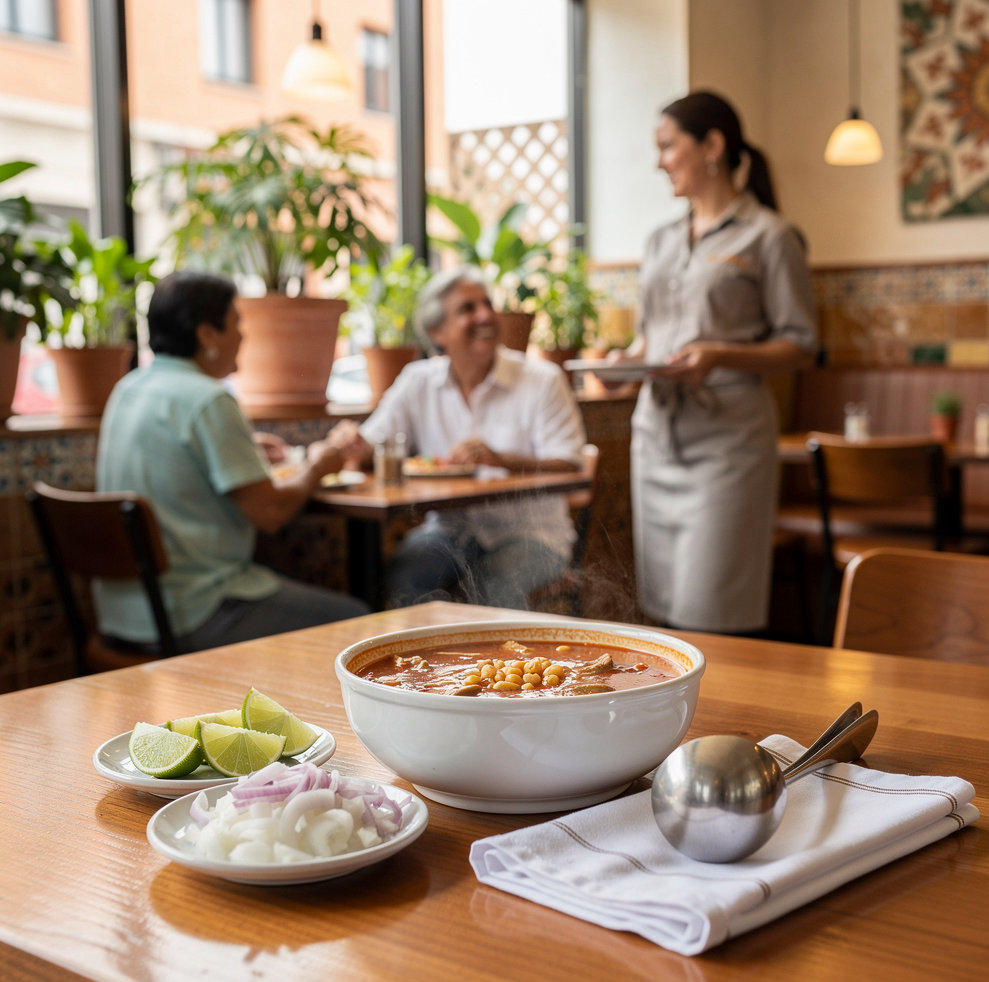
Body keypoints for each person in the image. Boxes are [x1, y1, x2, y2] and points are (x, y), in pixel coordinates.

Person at [620, 91, 818, 634]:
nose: (660, 161)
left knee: (711, 612)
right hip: (656, 436)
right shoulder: (659, 240)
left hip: (728, 446)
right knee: (661, 611)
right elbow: (650, 337)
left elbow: (802, 345)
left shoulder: (771, 236)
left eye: (667, 146)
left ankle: (726, 720)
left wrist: (720, 354)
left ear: (712, 145)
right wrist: (625, 362)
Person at [94, 271, 368, 652]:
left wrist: (245, 445)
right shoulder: (208, 400)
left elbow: (172, 456)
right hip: (193, 612)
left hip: (120, 617)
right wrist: (319, 464)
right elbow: (270, 512)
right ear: (207, 334)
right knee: (362, 624)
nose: (242, 336)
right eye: (236, 323)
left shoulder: (128, 388)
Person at [329, 265, 586, 609]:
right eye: (468, 309)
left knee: (490, 587)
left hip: (533, 535)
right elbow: (372, 443)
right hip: (450, 530)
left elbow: (570, 465)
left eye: (487, 304)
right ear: (438, 331)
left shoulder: (542, 380)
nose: (485, 315)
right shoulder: (418, 381)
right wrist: (350, 441)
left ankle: (497, 664)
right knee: (401, 578)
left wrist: (500, 458)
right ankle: (420, 663)